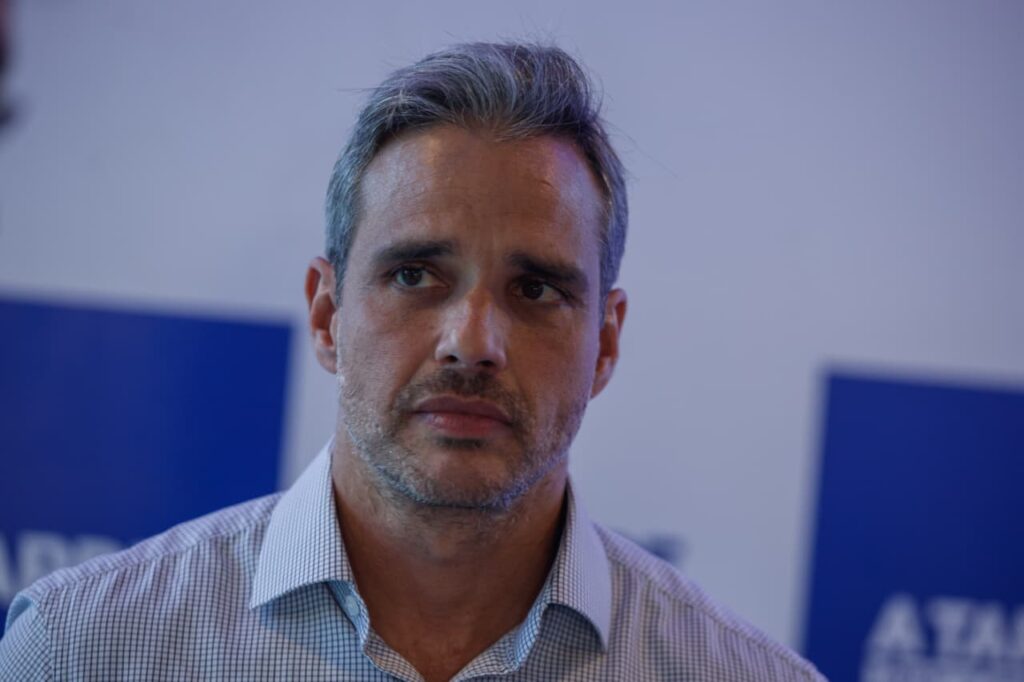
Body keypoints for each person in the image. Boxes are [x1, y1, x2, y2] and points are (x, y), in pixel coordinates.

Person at [0, 42, 825, 681]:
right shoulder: (82, 650)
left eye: (536, 289)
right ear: (326, 314)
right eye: (414, 275)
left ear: (605, 343)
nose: (473, 341)